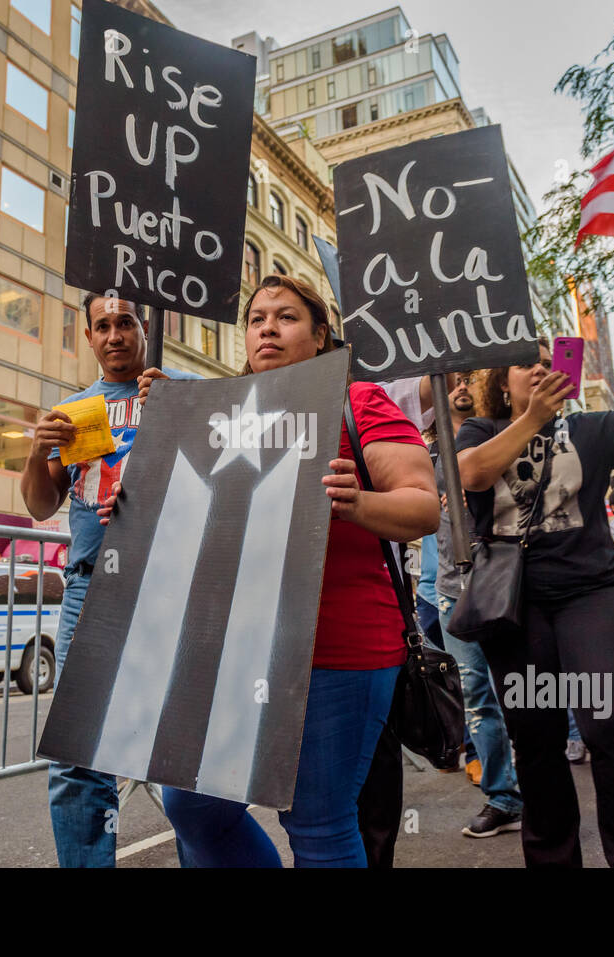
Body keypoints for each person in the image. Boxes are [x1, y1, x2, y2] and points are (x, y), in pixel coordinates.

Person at [128, 274, 439, 866]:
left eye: (287, 316)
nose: (267, 327)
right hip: (238, 651)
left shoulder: (358, 401)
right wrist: (170, 432)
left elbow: (423, 505)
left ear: (321, 336)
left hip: (340, 647)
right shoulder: (220, 412)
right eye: (256, 318)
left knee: (319, 823)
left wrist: (361, 503)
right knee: (194, 806)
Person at [455, 324, 614, 868]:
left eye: (547, 360)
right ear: (502, 380)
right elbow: (471, 474)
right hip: (516, 609)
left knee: (613, 725)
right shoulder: (477, 429)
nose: (539, 368)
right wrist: (533, 419)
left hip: (592, 595)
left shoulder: (588, 430)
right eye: (524, 363)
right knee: (536, 739)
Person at [20, 293, 196, 868]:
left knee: (183, 740)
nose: (115, 334)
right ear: (89, 336)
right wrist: (36, 454)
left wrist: (180, 408)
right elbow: (41, 507)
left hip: (172, 583)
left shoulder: (184, 390)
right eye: (103, 326)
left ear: (145, 327)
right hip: (89, 589)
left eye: (126, 323)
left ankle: (209, 855)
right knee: (78, 750)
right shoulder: (72, 411)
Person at [433, 373, 524, 839]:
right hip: (454, 590)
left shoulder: (506, 432)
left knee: (523, 688)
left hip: (507, 581)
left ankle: (541, 782)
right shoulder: (426, 452)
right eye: (453, 380)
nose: (461, 386)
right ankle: (503, 796)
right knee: (477, 696)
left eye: (471, 378)